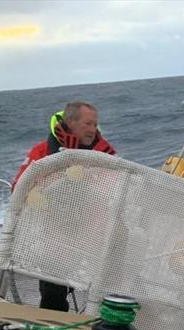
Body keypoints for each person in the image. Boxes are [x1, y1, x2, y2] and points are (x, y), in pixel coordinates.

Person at [12, 101, 117, 311]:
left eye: (95, 124)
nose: (93, 129)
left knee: (112, 290)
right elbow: (19, 186)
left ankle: (108, 329)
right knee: (52, 293)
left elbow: (114, 190)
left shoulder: (105, 154)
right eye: (88, 123)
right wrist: (39, 193)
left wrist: (87, 180)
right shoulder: (42, 151)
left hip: (95, 231)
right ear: (71, 122)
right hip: (56, 232)